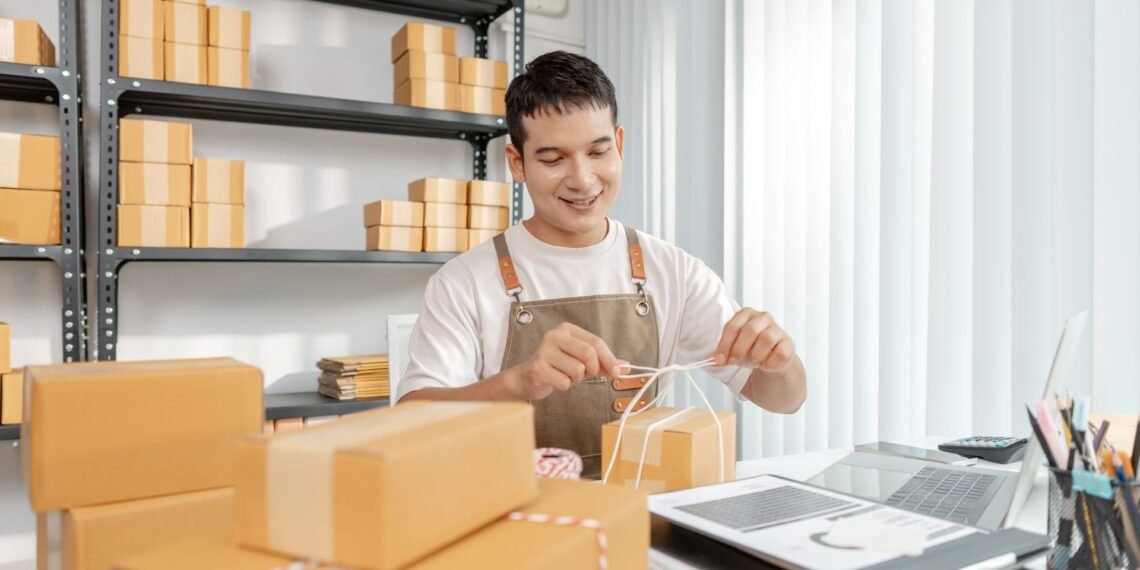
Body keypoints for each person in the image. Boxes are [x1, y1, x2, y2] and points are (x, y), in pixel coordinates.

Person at [397, 51, 806, 476]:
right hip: (517, 517)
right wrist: (518, 383)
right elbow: (410, 420)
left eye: (597, 152)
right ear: (517, 162)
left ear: (620, 145)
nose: (582, 179)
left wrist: (780, 360)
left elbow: (786, 398)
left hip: (639, 508)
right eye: (553, 159)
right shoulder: (463, 281)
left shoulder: (673, 271)